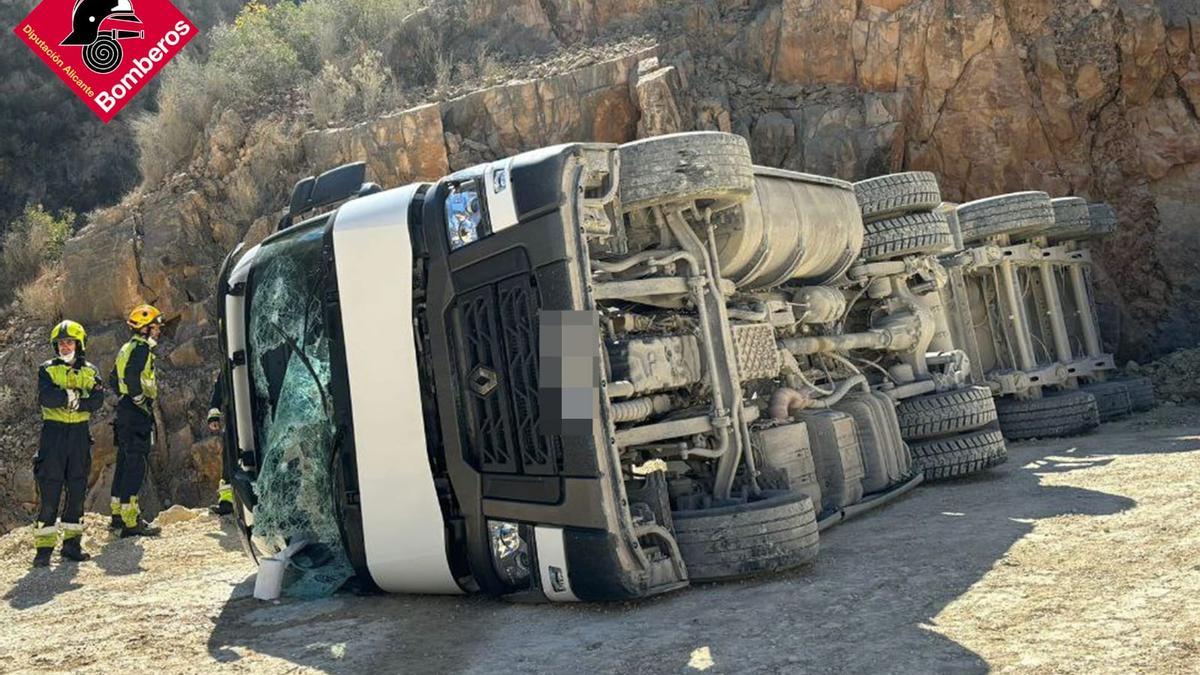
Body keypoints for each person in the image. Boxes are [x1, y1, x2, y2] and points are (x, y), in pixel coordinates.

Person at [33, 320, 104, 567]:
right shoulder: (47, 369)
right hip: (53, 436)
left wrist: (69, 398)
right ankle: (43, 550)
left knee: (76, 490)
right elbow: (47, 398)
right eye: (60, 343)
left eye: (69, 342)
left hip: (79, 436)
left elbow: (96, 401)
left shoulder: (91, 371)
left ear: (79, 344)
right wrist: (76, 396)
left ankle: (71, 546)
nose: (64, 347)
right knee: (50, 491)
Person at [108, 304, 164, 537]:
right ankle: (132, 523)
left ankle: (118, 516)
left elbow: (113, 379)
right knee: (136, 465)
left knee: (124, 462)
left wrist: (126, 398)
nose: (158, 330)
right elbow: (131, 376)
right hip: (136, 411)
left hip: (124, 410)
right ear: (144, 329)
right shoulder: (141, 349)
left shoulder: (126, 348)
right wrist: (139, 400)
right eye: (155, 327)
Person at [206, 372, 234, 516]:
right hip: (234, 417)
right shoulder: (230, 360)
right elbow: (220, 388)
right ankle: (227, 502)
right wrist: (213, 415)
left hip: (260, 412)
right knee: (229, 458)